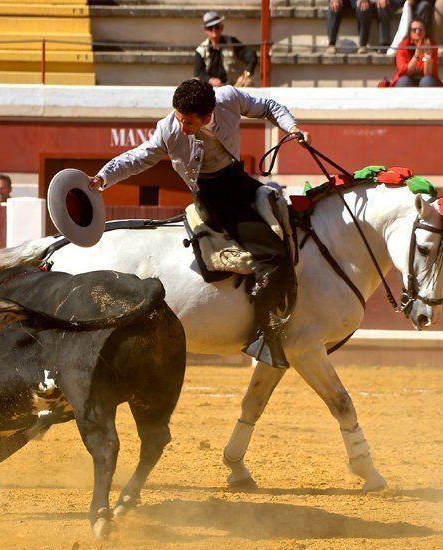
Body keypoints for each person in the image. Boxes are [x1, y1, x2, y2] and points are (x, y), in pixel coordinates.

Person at [88, 79, 309, 368]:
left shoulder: (228, 98)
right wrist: (103, 177)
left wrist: (291, 127)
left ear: (208, 115)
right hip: (212, 195)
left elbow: (268, 106)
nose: (181, 127)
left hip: (238, 179)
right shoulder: (168, 128)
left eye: (188, 122)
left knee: (288, 217)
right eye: (179, 118)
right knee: (272, 253)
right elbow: (139, 157)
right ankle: (265, 334)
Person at [194, 11, 257, 88]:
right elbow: (198, 72)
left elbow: (251, 55)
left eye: (216, 26)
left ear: (221, 27)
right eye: (210, 28)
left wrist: (245, 75)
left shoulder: (232, 42)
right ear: (205, 30)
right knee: (194, 82)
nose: (214, 30)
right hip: (210, 88)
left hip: (234, 87)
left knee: (248, 82)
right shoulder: (201, 50)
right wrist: (210, 80)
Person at [392, 20, 440, 87]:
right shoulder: (403, 45)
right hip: (407, 77)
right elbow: (406, 72)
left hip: (424, 78)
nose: (417, 32)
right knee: (404, 81)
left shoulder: (431, 45)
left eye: (421, 29)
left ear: (425, 31)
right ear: (410, 32)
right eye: (414, 30)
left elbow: (427, 73)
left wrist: (427, 56)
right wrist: (416, 55)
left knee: (427, 81)